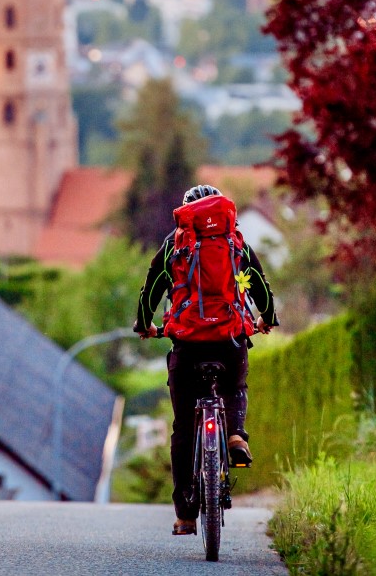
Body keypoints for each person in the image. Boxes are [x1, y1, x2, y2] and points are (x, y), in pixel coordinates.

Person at [133, 183, 279, 536]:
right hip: (229, 339)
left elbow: (151, 288)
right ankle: (236, 436)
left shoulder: (174, 245)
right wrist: (267, 318)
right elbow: (259, 285)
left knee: (183, 427)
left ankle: (185, 515)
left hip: (187, 343)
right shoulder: (235, 243)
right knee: (234, 384)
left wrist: (144, 324)